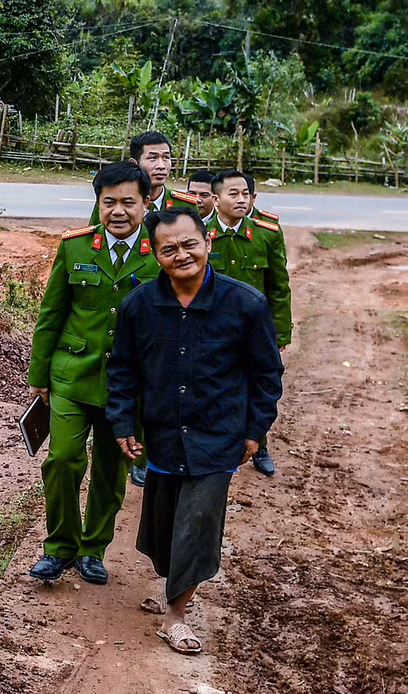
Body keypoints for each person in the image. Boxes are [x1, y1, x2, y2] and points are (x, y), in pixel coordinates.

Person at [106, 206, 283, 655]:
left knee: (198, 523)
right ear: (155, 253)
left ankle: (176, 615)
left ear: (207, 243)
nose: (182, 255)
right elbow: (123, 369)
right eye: (170, 249)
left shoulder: (245, 304)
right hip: (163, 433)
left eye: (190, 244)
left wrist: (255, 429)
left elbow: (266, 374)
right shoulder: (138, 306)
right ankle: (171, 582)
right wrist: (123, 420)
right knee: (163, 529)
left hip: (218, 433)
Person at [25, 160, 160, 587]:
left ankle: (92, 549)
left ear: (146, 202)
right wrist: (39, 372)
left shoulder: (161, 254)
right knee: (62, 459)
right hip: (72, 375)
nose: (118, 211)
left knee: (110, 469)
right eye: (108, 203)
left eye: (128, 203)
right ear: (98, 204)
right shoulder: (76, 247)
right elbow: (52, 314)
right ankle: (59, 547)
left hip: (129, 387)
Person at [205, 170, 291, 476]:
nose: (241, 200)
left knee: (257, 386)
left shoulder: (266, 233)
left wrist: (280, 332)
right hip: (211, 329)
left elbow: (278, 286)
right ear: (216, 200)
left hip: (254, 329)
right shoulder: (202, 235)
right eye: (233, 194)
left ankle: (260, 443)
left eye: (245, 194)